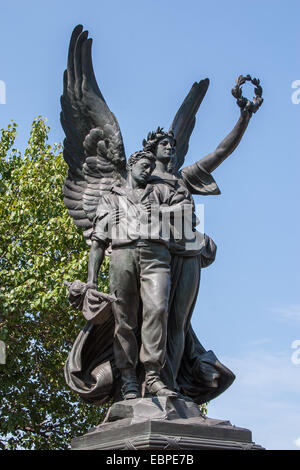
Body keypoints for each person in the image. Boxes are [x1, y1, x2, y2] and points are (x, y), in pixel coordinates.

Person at [143, 108, 252, 400]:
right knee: (159, 315)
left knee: (179, 323)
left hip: (190, 253)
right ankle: (152, 380)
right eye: (165, 144)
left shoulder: (184, 179)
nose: (171, 147)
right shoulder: (143, 182)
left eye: (173, 144)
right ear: (153, 149)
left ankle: (171, 384)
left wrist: (244, 117)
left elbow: (220, 151)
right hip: (160, 257)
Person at [86, 149, 190, 400]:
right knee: (125, 320)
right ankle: (129, 378)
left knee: (158, 310)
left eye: (151, 166)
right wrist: (91, 281)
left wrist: (159, 213)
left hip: (156, 256)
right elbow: (98, 241)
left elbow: (187, 209)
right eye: (144, 165)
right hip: (123, 255)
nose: (148, 170)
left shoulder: (161, 191)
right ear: (131, 165)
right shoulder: (112, 197)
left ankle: (153, 376)